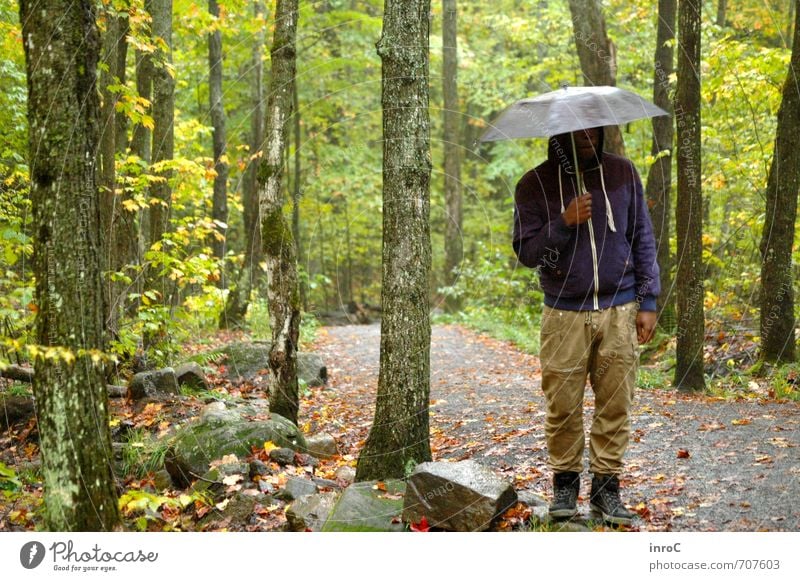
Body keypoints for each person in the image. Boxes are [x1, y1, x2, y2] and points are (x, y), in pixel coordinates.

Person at [512, 126, 659, 525]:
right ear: (559, 133)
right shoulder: (533, 184)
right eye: (577, 129)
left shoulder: (623, 173)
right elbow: (527, 253)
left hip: (621, 307)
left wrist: (649, 300)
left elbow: (642, 236)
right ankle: (565, 486)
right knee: (562, 405)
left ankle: (606, 491)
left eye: (593, 127)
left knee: (616, 404)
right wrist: (564, 221)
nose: (587, 135)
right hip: (563, 314)